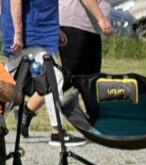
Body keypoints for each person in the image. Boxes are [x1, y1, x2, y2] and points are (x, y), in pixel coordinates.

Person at [1, 0, 85, 145]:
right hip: (30, 31)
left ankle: (56, 132)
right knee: (53, 77)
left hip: (36, 30)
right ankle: (57, 132)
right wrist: (18, 33)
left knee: (10, 80)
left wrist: (55, 30)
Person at [58, 0, 112, 90]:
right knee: (70, 75)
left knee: (91, 78)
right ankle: (32, 102)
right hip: (74, 23)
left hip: (91, 27)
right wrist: (101, 18)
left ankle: (77, 103)